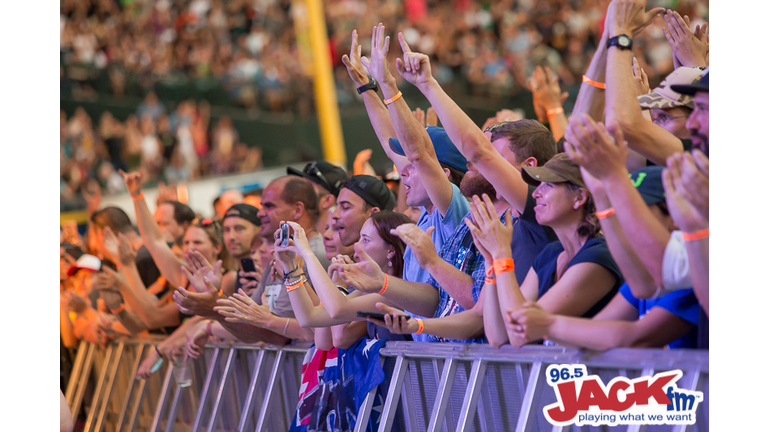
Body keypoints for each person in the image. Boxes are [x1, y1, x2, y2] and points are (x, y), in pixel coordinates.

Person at [374, 154, 624, 347]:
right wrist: (416, 325)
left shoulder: (597, 256)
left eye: (548, 185)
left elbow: (519, 332)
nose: (536, 193)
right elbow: (496, 333)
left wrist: (501, 255)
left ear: (579, 197)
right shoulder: (551, 253)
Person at [287, 160, 348, 233]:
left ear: (327, 200)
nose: (298, 192)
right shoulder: (295, 240)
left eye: (307, 188)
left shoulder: (337, 243)